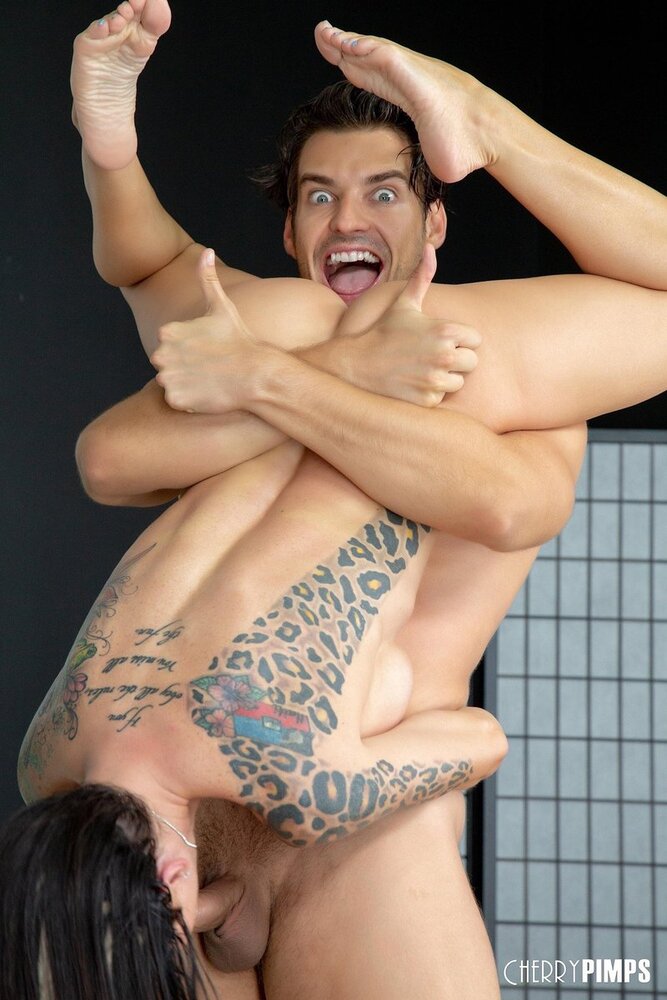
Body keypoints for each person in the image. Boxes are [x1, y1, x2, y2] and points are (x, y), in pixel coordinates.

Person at [14, 1, 667, 998]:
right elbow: (113, 439)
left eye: (384, 193)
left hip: (324, 839)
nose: (349, 219)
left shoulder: (412, 340)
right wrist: (328, 370)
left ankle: (471, 122)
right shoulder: (273, 327)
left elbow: (510, 503)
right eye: (320, 196)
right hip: (225, 826)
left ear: (434, 220)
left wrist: (267, 373)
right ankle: (472, 124)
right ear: (290, 229)